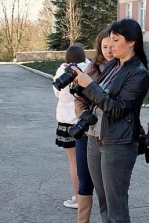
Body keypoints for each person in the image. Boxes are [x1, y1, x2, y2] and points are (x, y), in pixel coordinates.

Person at [71, 18, 149, 223]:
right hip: (95, 138)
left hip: (118, 143)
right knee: (104, 199)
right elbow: (94, 99)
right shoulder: (113, 65)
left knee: (116, 204)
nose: (111, 45)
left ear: (131, 42)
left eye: (116, 40)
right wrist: (80, 86)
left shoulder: (138, 73)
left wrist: (90, 85)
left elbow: (117, 110)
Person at [74, 27, 114, 223]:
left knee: (106, 185)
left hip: (108, 135)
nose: (108, 50)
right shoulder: (92, 68)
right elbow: (79, 99)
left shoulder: (124, 69)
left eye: (111, 46)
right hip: (87, 133)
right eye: (104, 46)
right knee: (85, 181)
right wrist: (82, 114)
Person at [53, 43, 90, 209]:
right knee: (88, 161)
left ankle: (78, 198)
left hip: (67, 121)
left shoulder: (62, 71)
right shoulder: (89, 69)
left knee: (74, 161)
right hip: (85, 121)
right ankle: (87, 195)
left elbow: (57, 91)